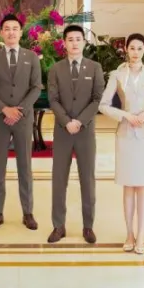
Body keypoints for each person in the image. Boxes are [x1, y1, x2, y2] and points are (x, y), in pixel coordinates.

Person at [99, 33, 144, 254]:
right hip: (125, 134)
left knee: (143, 187)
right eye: (132, 48)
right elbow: (103, 105)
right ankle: (129, 233)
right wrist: (125, 115)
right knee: (128, 186)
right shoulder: (117, 75)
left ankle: (141, 236)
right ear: (126, 49)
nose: (135, 52)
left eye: (139, 48)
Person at [0, 13, 42, 231]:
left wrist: (20, 110)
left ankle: (28, 212)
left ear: (21, 32)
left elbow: (36, 87)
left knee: (25, 167)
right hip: (0, 119)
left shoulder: (31, 57)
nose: (11, 32)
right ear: (1, 33)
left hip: (23, 120)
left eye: (15, 28)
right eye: (7, 28)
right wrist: (4, 109)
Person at [47, 25, 105, 244]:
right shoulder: (55, 69)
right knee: (59, 180)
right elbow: (53, 99)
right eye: (70, 39)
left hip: (85, 132)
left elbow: (97, 99)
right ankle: (58, 226)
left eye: (78, 39)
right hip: (62, 131)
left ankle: (88, 226)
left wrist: (79, 121)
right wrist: (66, 122)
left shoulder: (95, 68)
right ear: (64, 43)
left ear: (84, 42)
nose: (74, 43)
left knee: (87, 180)